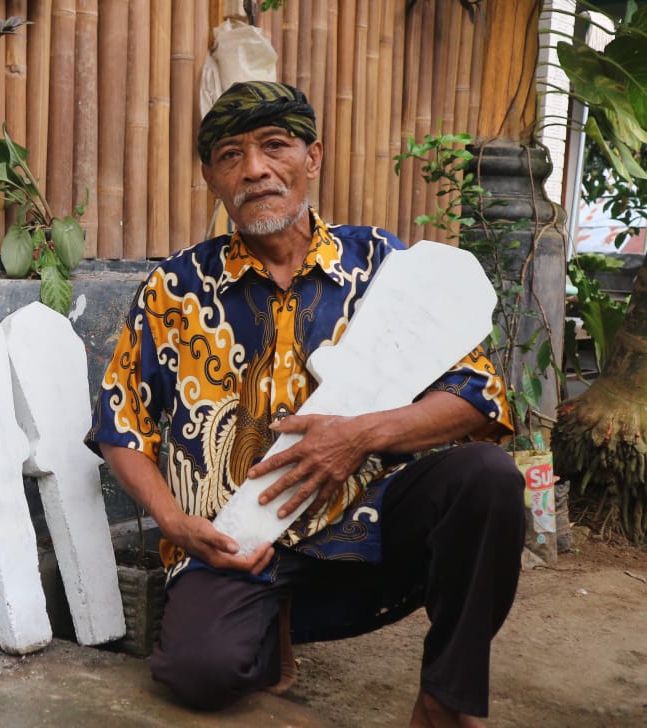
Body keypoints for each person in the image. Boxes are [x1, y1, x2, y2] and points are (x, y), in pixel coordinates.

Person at [87, 81, 524, 727]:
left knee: (486, 479)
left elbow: (479, 396)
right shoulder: (174, 288)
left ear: (312, 157)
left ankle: (447, 699)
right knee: (198, 674)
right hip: (236, 542)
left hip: (366, 524)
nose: (255, 169)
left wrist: (359, 436)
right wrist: (176, 527)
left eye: (275, 146)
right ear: (211, 177)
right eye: (231, 155)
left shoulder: (382, 263)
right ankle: (271, 620)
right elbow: (120, 422)